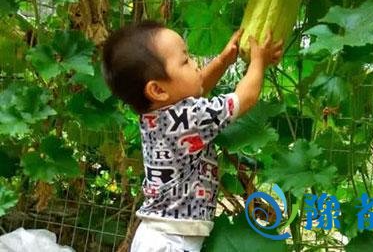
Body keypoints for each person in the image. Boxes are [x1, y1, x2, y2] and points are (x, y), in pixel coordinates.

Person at [101, 21, 283, 252]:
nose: (195, 63)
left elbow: (196, 87)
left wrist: (222, 62)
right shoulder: (189, 118)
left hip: (157, 236)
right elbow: (244, 98)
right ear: (157, 90)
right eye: (186, 61)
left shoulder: (157, 114)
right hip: (171, 242)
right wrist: (259, 61)